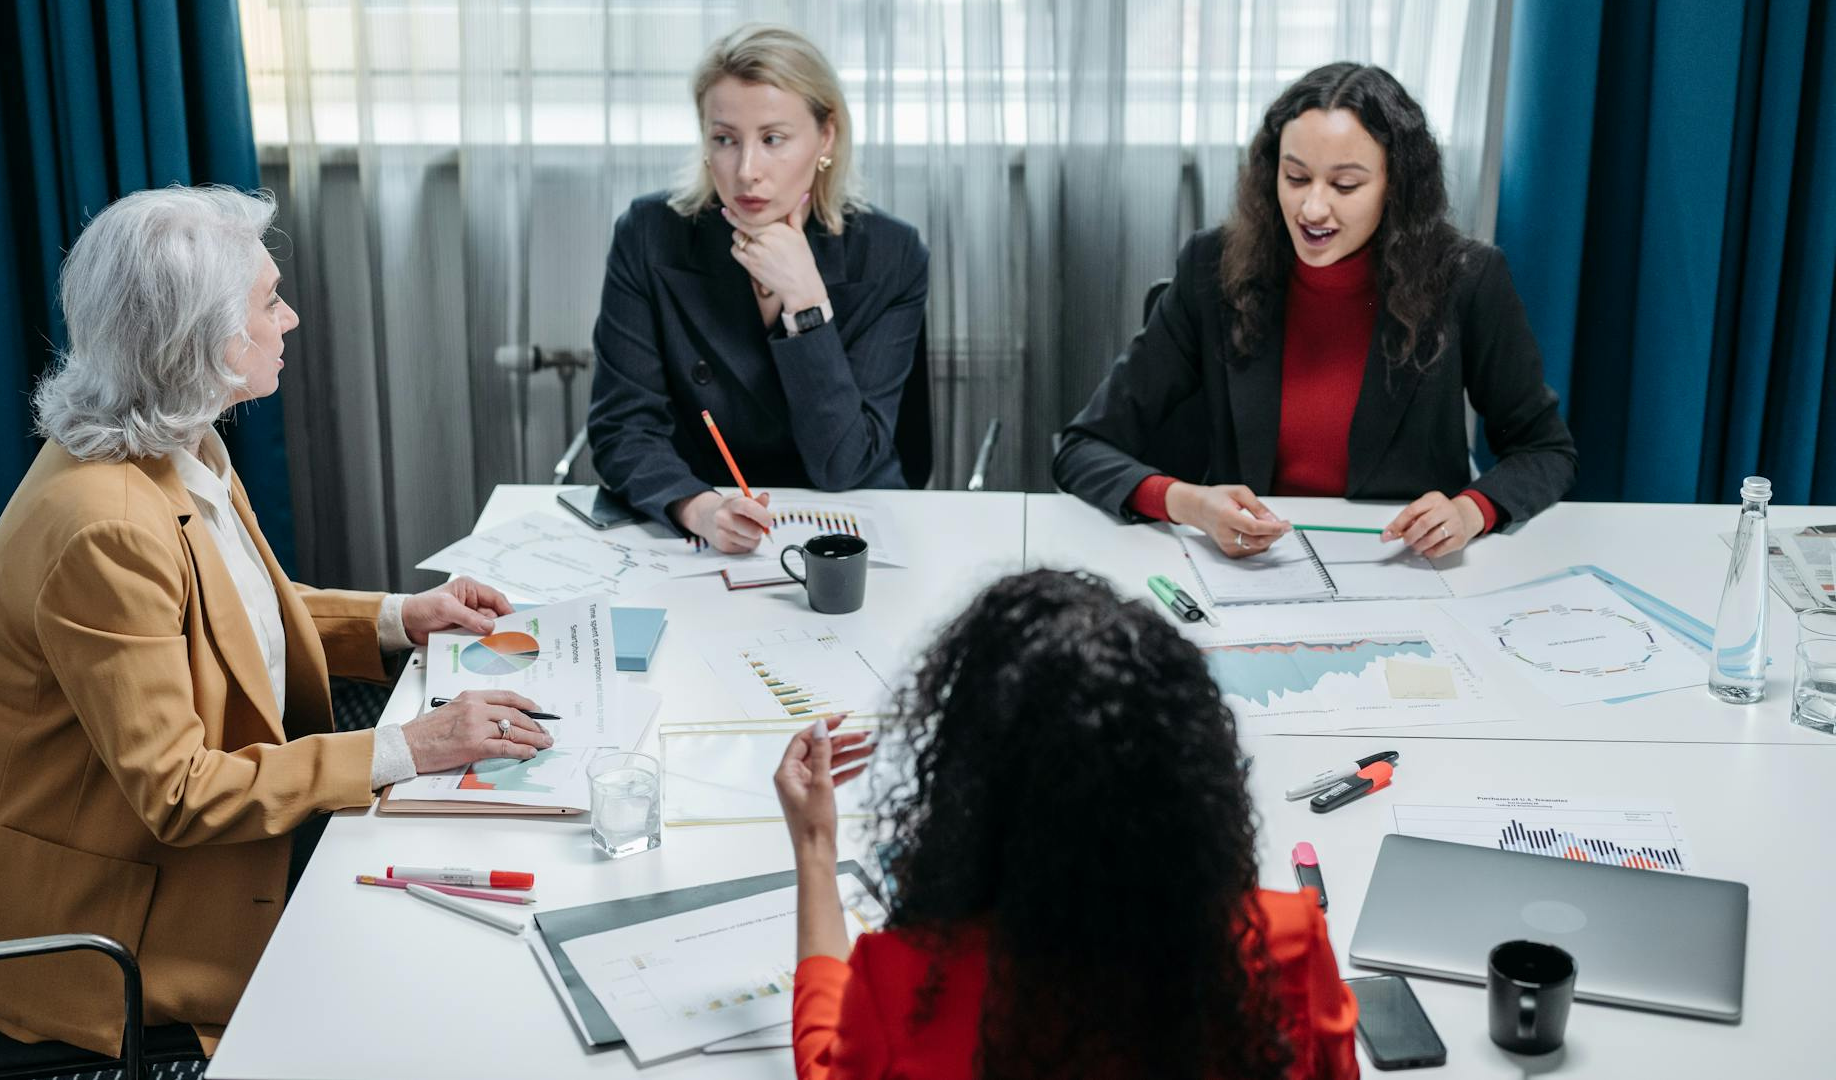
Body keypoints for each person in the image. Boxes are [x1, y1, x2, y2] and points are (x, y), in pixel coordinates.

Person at [0, 186, 555, 1057]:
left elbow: (236, 612)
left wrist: (399, 618)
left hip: (191, 846)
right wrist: (409, 749)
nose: (292, 318)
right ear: (202, 339)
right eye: (269, 301)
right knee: (433, 995)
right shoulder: (104, 526)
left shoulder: (174, 441)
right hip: (111, 923)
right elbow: (180, 793)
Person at [773, 570, 1359, 1080]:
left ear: (973, 788)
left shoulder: (905, 984)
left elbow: (829, 1064)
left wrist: (815, 845)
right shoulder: (1287, 942)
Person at [1053, 63, 1576, 559]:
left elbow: (1544, 451)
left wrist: (1471, 511)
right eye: (1296, 177)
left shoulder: (1467, 278)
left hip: (1403, 568)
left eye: (1345, 185)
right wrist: (1187, 502)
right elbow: (1082, 448)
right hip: (1251, 568)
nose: (1313, 209)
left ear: (1397, 187)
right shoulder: (1211, 267)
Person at [588, 24, 930, 553]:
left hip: (852, 527)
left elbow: (845, 464)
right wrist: (699, 508)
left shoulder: (891, 255)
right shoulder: (650, 235)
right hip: (699, 527)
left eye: (773, 139)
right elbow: (623, 428)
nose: (747, 171)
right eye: (725, 139)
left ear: (826, 138)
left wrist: (807, 303)